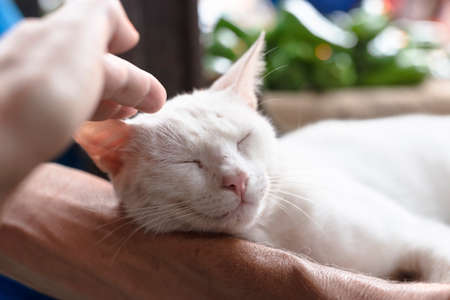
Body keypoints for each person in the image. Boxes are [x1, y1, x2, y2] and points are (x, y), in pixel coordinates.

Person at [0, 0, 448, 299]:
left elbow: (432, 247)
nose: (238, 177)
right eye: (189, 163)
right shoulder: (124, 151)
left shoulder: (317, 205)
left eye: (245, 141)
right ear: (113, 159)